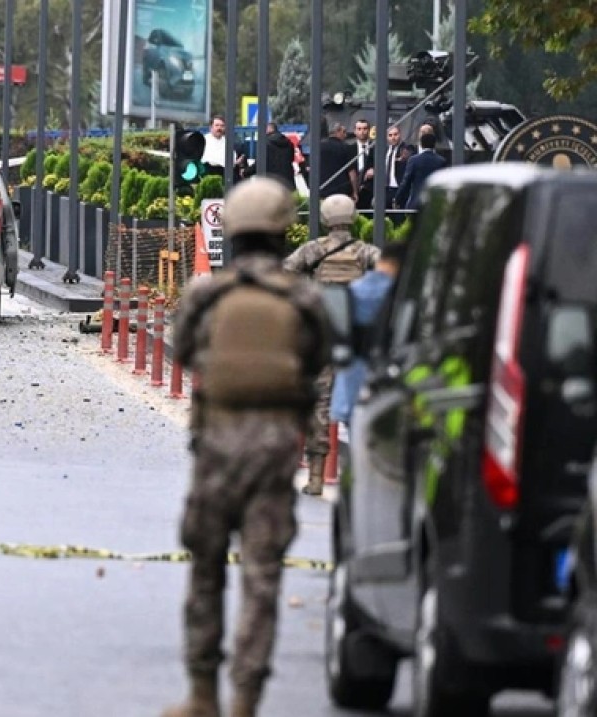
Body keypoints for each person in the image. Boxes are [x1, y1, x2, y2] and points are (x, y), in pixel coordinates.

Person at [165, 177, 330, 717]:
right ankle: (245, 700)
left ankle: (202, 694)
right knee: (262, 577)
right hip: (276, 449)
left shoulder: (209, 293)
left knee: (206, 568)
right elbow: (322, 357)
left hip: (216, 446)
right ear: (284, 232)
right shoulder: (302, 297)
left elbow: (180, 348)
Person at [282, 194, 379, 496]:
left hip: (323, 337)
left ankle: (315, 478)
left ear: (325, 219)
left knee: (319, 405)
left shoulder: (313, 250)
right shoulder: (366, 253)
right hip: (357, 339)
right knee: (364, 404)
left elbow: (285, 273)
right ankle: (363, 480)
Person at [330, 239, 405, 428]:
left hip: (350, 388)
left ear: (381, 261)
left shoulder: (352, 291)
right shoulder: (402, 294)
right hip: (387, 390)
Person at [394, 132, 447, 211]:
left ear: (421, 144)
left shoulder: (414, 160)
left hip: (416, 203)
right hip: (434, 204)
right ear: (434, 144)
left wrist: (397, 199)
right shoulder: (441, 161)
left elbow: (406, 182)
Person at [319, 121, 357, 201]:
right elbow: (351, 172)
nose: (345, 135)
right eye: (344, 132)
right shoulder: (346, 148)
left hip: (323, 190)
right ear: (339, 132)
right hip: (342, 191)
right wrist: (355, 192)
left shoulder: (319, 147)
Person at [262, 122, 295, 189]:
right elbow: (291, 158)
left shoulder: (266, 143)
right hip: (287, 179)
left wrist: (246, 171)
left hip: (271, 180)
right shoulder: (288, 142)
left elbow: (261, 161)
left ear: (269, 129)